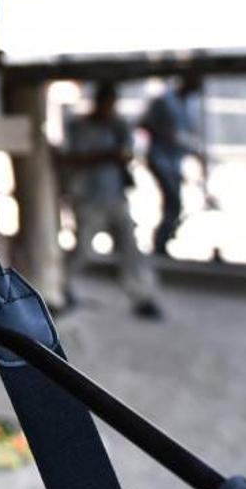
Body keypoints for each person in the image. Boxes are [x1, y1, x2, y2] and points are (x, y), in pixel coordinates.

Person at [62, 83, 162, 320]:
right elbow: (73, 158)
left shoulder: (118, 126)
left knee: (131, 249)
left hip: (115, 196)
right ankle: (61, 288)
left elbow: (127, 154)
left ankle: (142, 296)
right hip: (88, 197)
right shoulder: (79, 126)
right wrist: (107, 154)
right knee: (83, 250)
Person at [140, 73, 203, 255]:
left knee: (175, 204)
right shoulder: (164, 100)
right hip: (160, 158)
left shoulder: (189, 105)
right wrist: (165, 133)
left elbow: (186, 136)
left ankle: (163, 240)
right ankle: (160, 243)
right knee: (173, 201)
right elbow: (145, 123)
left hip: (175, 161)